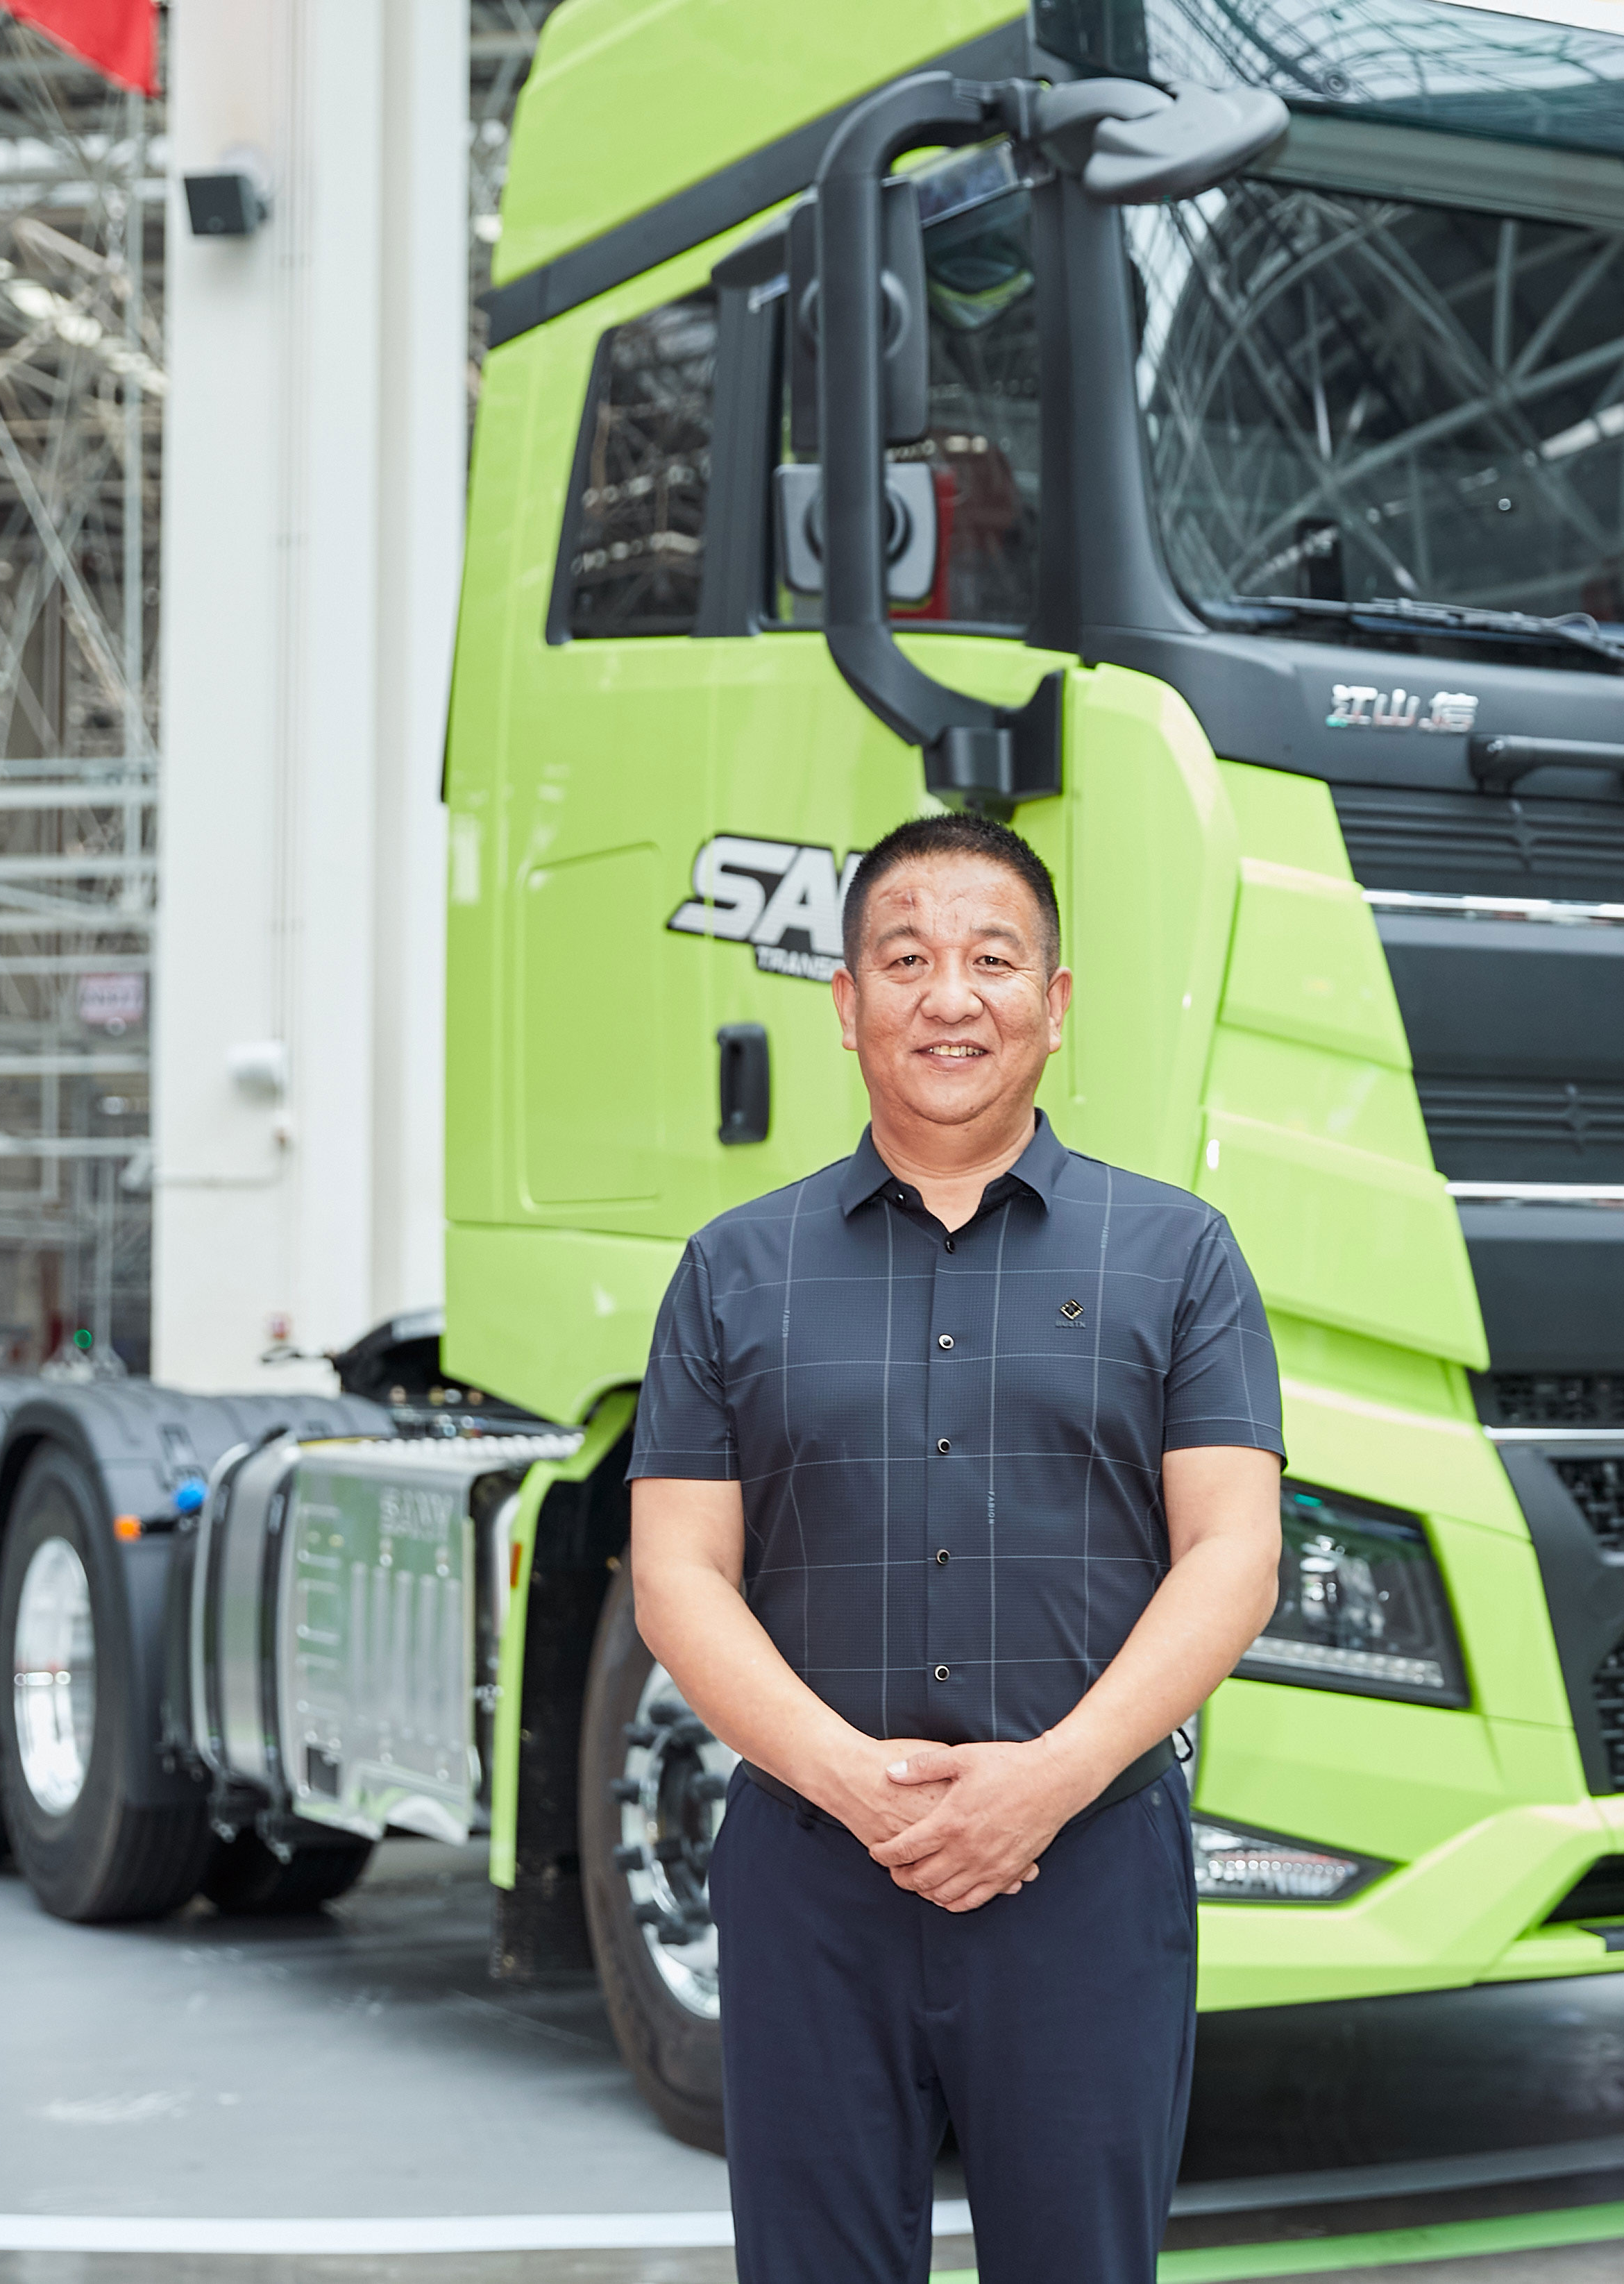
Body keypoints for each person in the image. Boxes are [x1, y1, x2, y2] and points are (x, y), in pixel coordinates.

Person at [625, 809, 1287, 2282]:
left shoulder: (1178, 1256)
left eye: (993, 959)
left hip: (1086, 1865)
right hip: (811, 1869)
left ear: (1054, 1003)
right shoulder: (733, 1269)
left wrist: (1050, 1779)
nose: (950, 995)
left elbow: (1233, 1554)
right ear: (845, 1000)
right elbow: (676, 1573)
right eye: (906, 957)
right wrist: (849, 1779)